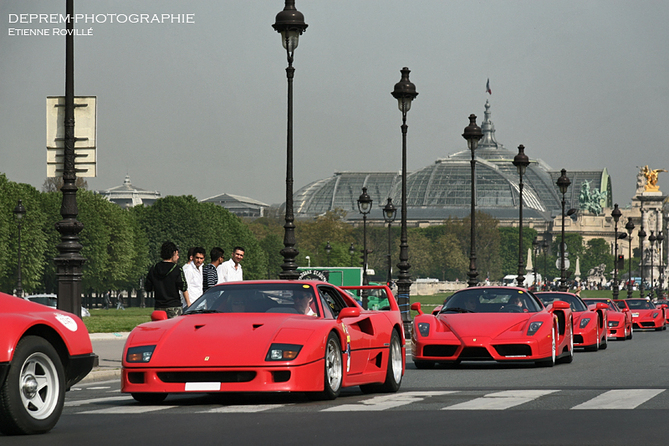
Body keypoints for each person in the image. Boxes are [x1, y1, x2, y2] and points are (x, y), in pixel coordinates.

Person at [145, 241, 189, 318]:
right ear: (173, 253)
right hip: (174, 306)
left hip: (159, 307)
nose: (178, 257)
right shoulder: (177, 269)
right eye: (177, 254)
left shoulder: (154, 268)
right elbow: (183, 287)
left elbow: (148, 287)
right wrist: (188, 303)